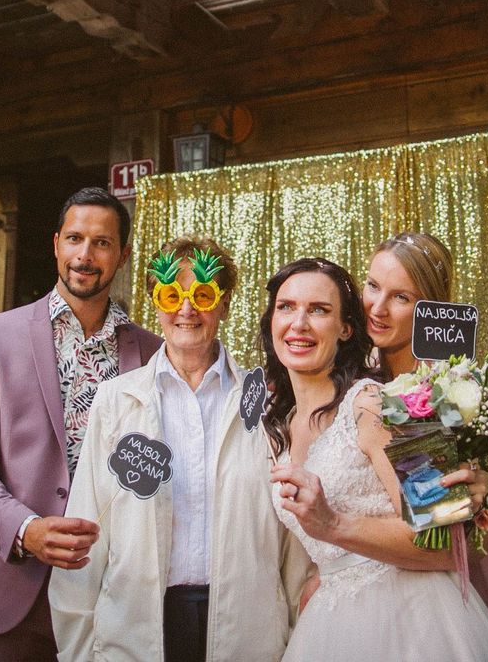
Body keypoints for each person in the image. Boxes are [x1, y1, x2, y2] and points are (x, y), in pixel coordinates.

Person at [50, 236, 309, 662]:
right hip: (137, 626)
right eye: (172, 294)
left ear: (224, 305)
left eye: (202, 295)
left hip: (246, 627)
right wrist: (80, 651)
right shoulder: (116, 400)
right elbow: (87, 526)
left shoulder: (267, 401)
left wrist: (297, 637)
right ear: (155, 301)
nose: (186, 310)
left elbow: (290, 537)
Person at [0, 187, 163, 662]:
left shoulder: (156, 353)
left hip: (116, 593)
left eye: (101, 243)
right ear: (56, 244)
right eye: (75, 238)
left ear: (123, 254)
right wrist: (26, 530)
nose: (85, 254)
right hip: (11, 587)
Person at [264, 258, 488, 662]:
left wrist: (334, 525)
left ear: (346, 328)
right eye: (286, 307)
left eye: (319, 310)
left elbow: (448, 543)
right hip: (332, 622)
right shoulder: (280, 423)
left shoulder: (376, 404)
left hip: (413, 624)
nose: (299, 323)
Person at [364, 232, 488, 661]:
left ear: (431, 310)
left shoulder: (453, 389)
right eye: (372, 286)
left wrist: (481, 494)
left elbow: (453, 510)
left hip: (451, 572)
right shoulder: (349, 372)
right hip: (365, 578)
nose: (377, 308)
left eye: (400, 297)